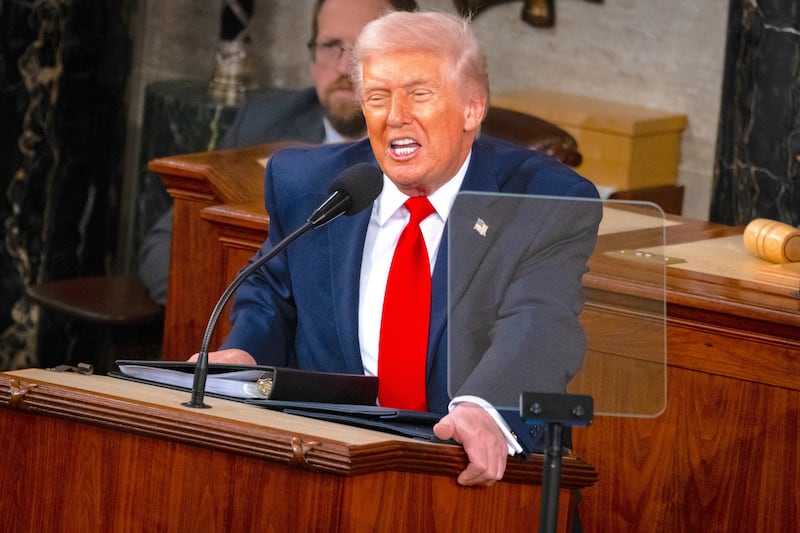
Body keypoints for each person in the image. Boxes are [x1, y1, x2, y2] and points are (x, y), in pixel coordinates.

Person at [198, 10, 601, 486]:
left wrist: (484, 410)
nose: (395, 116)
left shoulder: (541, 200)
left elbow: (540, 322)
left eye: (419, 94)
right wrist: (243, 353)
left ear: (473, 108)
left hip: (470, 475)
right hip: (329, 470)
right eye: (377, 97)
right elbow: (272, 292)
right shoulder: (310, 185)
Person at [138, 0, 418, 306]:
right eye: (330, 46)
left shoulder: (430, 153)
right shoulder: (262, 124)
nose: (344, 67)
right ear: (312, 56)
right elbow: (166, 244)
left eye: (364, 50)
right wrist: (236, 322)